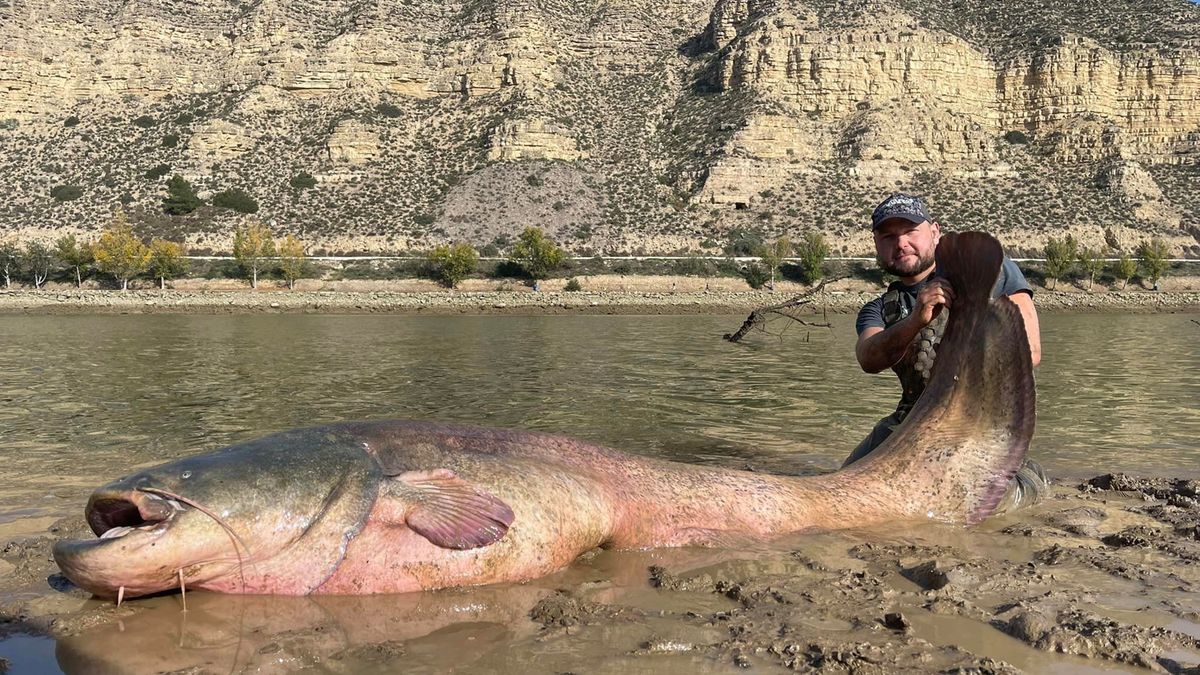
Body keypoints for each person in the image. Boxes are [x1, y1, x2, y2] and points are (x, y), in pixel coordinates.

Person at [845, 193, 1045, 504]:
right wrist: (915, 321)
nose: (900, 244)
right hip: (908, 423)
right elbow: (867, 358)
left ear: (935, 232)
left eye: (911, 231)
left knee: (980, 500)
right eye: (888, 237)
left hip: (980, 425)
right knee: (841, 489)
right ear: (876, 245)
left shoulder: (994, 271)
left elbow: (1030, 352)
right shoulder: (878, 309)